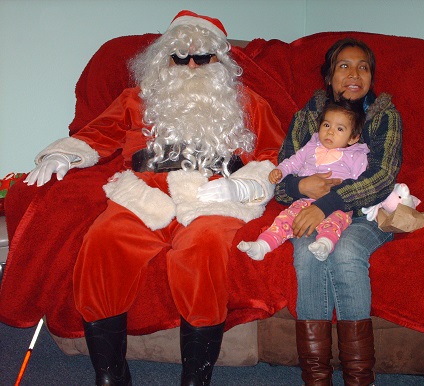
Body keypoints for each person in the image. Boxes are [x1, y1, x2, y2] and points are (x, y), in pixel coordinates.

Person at [24, 10, 283, 386]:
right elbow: (97, 134)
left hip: (213, 196)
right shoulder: (137, 99)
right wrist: (62, 154)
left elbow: (274, 156)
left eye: (202, 57)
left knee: (204, 248)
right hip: (145, 194)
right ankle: (111, 374)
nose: (191, 65)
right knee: (102, 242)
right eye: (180, 57)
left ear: (220, 61)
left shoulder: (249, 104)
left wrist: (244, 186)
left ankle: (196, 377)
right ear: (163, 60)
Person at [275, 38, 402, 385]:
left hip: (368, 214)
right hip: (310, 206)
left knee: (345, 252)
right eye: (344, 66)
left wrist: (326, 204)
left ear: (372, 76)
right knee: (306, 254)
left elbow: (383, 177)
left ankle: (360, 378)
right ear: (329, 76)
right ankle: (316, 378)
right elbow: (282, 177)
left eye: (363, 66)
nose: (354, 73)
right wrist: (301, 188)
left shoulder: (384, 115)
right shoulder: (308, 116)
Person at [238, 99, 369, 262]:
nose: (330, 132)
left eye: (340, 129)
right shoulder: (311, 146)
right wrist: (280, 171)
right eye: (326, 125)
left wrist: (377, 207)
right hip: (305, 201)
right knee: (285, 219)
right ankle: (262, 246)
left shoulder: (356, 156)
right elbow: (294, 161)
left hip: (336, 204)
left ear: (353, 138)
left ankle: (325, 244)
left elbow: (362, 184)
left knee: (335, 221)